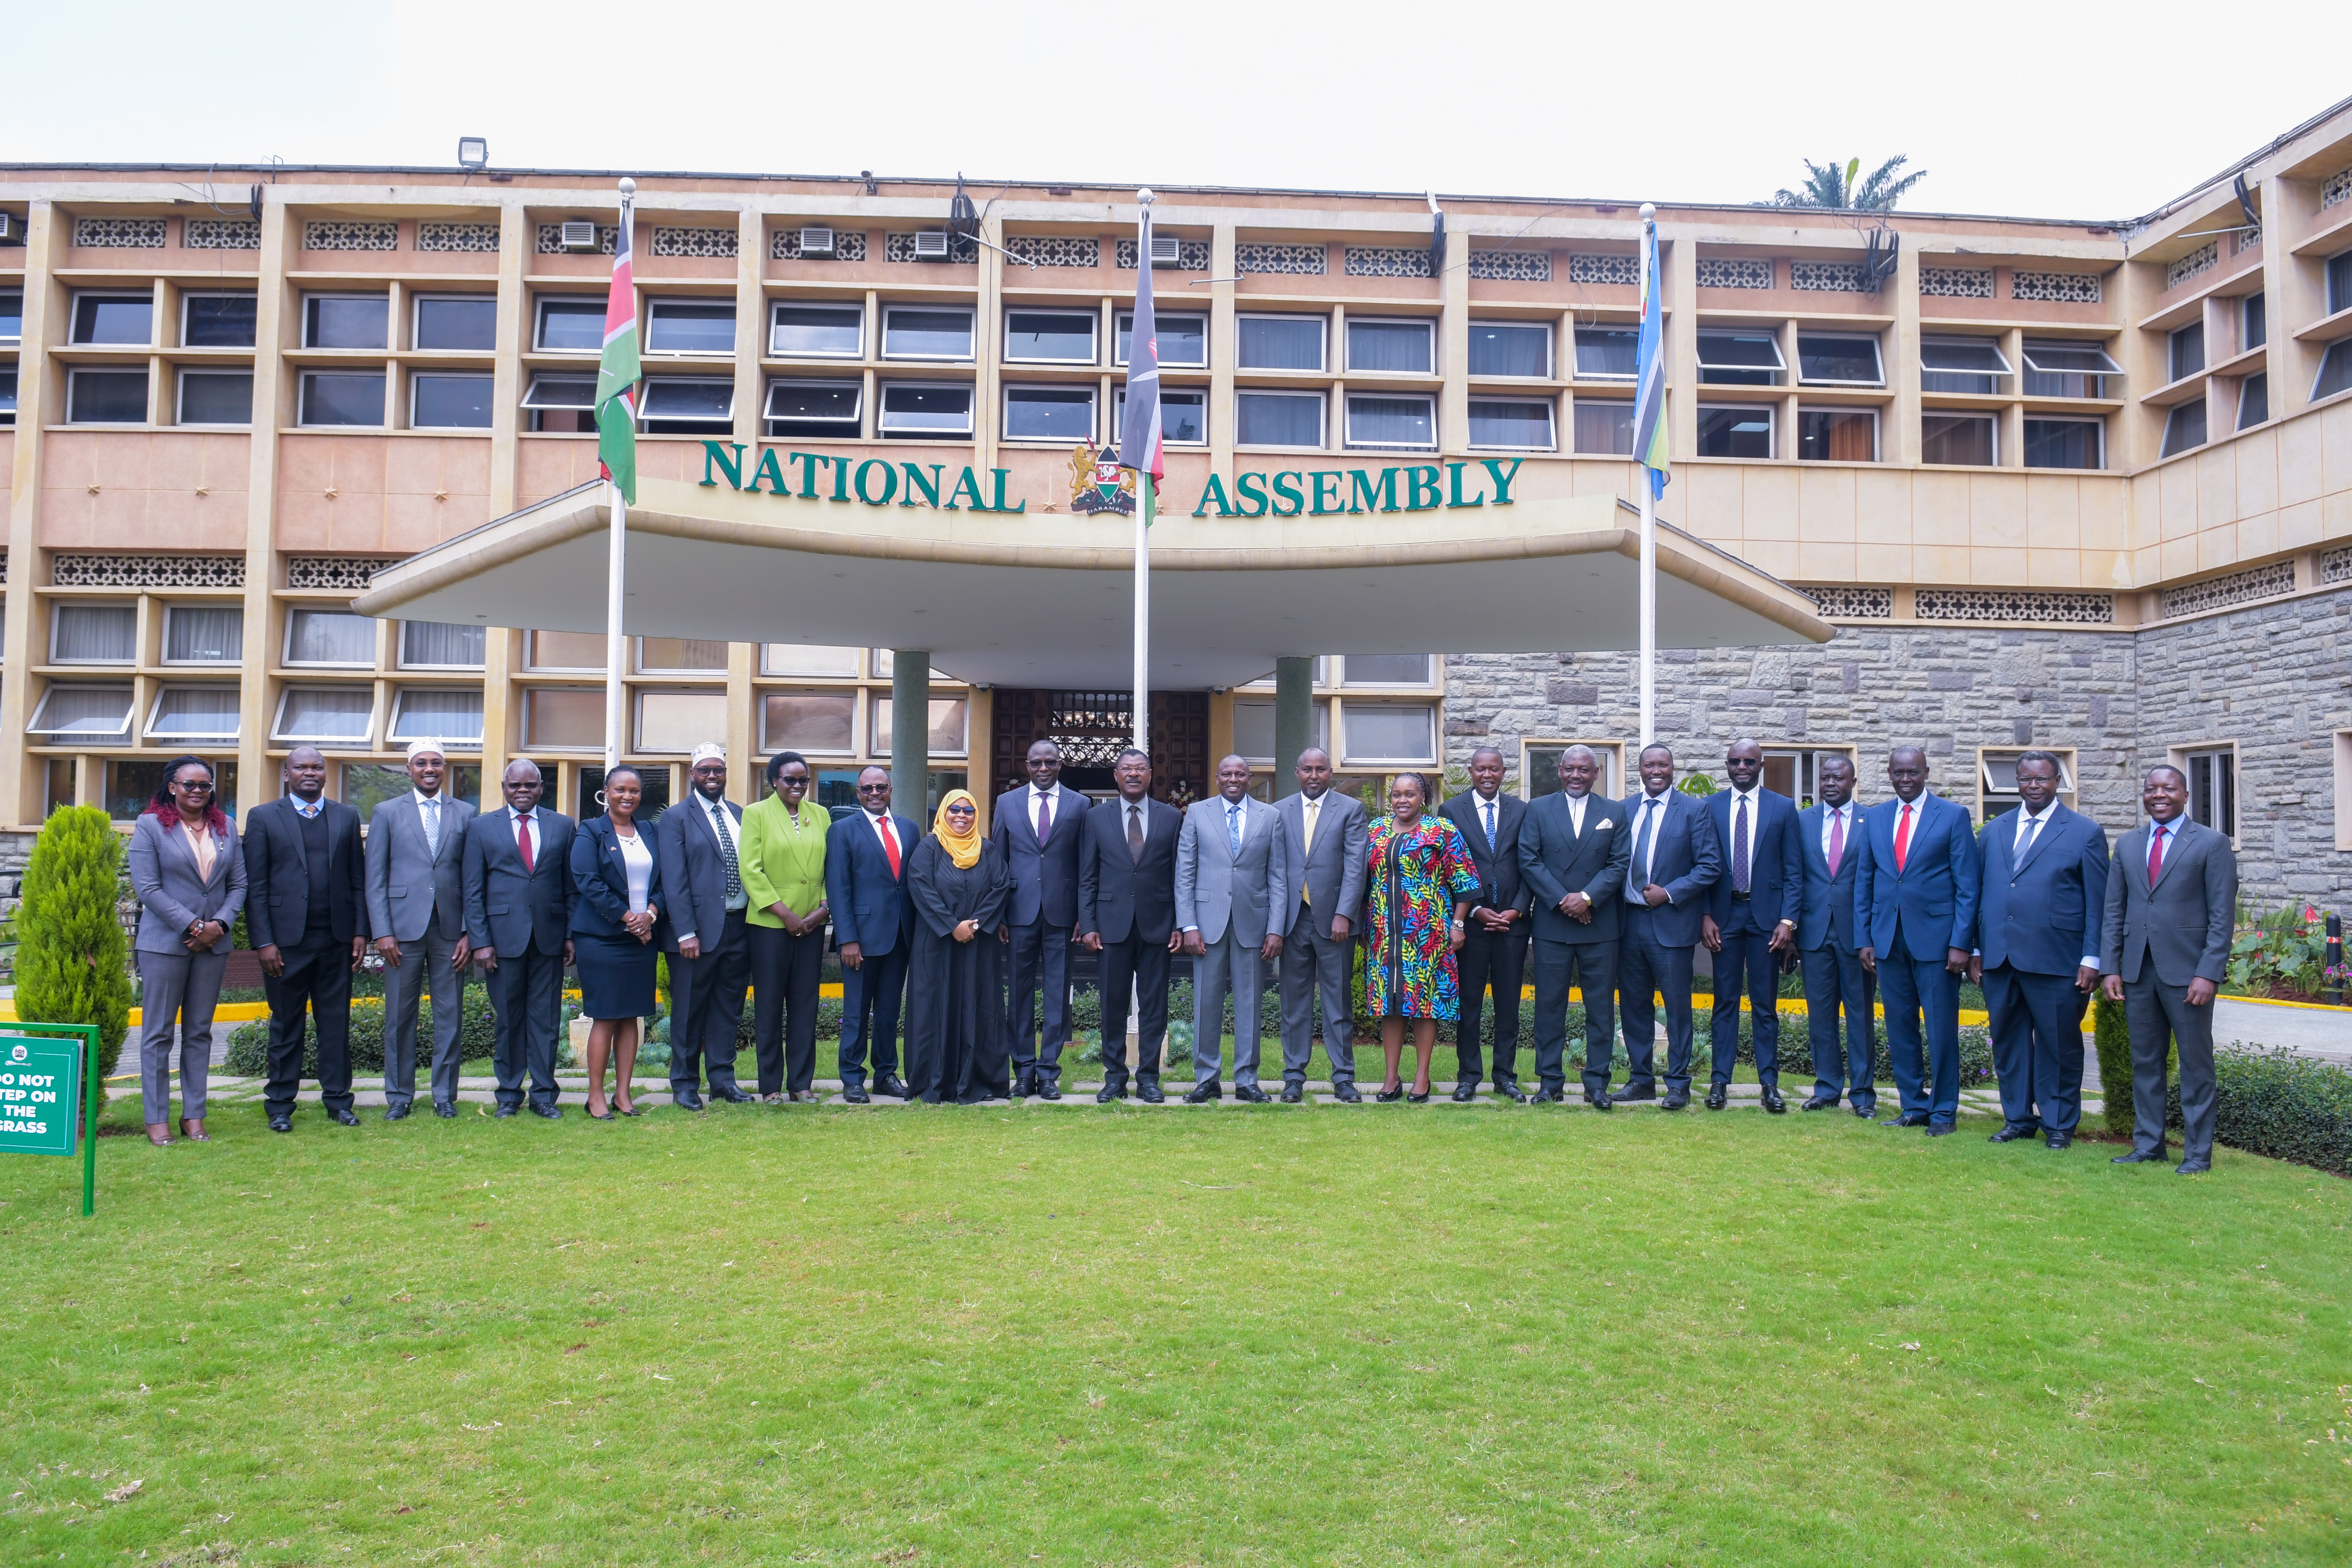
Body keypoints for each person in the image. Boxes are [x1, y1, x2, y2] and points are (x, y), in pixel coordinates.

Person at [2101, 765, 2237, 1174]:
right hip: (2138, 971)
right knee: (2146, 1063)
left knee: (2196, 1067)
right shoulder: (2128, 844)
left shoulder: (2212, 844)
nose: (2159, 794)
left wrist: (2208, 972)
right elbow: (2114, 910)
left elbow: (2221, 915)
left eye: (2168, 788)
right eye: (2151, 788)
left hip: (2188, 974)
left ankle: (2197, 1154)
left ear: (2185, 794)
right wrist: (2111, 967)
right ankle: (2149, 1145)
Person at [1973, 751, 2109, 1150]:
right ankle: (2018, 1118)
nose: (2034, 786)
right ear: (2017, 782)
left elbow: (2098, 902)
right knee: (2009, 1043)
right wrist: (1978, 947)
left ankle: (2059, 1124)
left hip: (2057, 958)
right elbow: (1984, 893)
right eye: (2026, 779)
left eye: (2043, 779)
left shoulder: (2084, 832)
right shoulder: (1994, 831)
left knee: (2058, 1044)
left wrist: (2092, 958)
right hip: (2001, 956)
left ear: (2058, 782)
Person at [1854, 746, 1980, 1136]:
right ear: (1888, 775)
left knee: (1941, 1029)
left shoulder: (1953, 816)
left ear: (1927, 772)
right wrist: (1865, 939)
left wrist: (1962, 942)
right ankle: (1913, 1105)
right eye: (1898, 773)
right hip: (1888, 939)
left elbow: (1968, 885)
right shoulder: (1875, 818)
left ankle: (1943, 1112)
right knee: (1900, 1026)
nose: (1905, 779)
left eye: (1912, 772)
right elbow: (1866, 881)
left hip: (1938, 943)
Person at [243, 745, 368, 1133]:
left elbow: (357, 881)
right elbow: (256, 887)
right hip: (285, 945)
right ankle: (280, 1106)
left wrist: (361, 932)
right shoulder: (264, 818)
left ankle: (338, 1102)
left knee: (336, 1024)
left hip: (336, 941)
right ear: (287, 774)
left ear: (326, 774)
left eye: (317, 767)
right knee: (286, 1025)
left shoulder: (346, 817)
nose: (309, 773)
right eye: (301, 768)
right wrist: (263, 942)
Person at [126, 756, 245, 1145]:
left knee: (199, 1032)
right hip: (165, 944)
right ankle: (156, 1118)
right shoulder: (150, 826)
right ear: (172, 787)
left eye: (205, 786)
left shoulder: (225, 826)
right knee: (158, 1034)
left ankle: (194, 1115)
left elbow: (239, 884)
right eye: (189, 784)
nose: (198, 791)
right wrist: (194, 926)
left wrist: (218, 926)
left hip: (214, 945)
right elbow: (147, 887)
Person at [364, 739, 477, 1120]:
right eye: (421, 763)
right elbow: (375, 878)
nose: (429, 769)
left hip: (450, 931)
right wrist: (383, 932)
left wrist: (467, 932)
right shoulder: (386, 812)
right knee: (399, 1016)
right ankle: (399, 1096)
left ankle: (445, 1095)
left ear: (445, 769)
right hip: (401, 931)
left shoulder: (466, 813)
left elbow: (472, 877)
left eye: (437, 763)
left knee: (450, 1015)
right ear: (409, 769)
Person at [1519, 745, 1634, 1105]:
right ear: (1560, 771)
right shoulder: (1538, 809)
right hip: (1553, 925)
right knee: (1548, 1007)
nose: (1576, 776)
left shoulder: (1614, 811)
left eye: (1584, 770)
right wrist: (1565, 901)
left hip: (1600, 926)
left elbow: (1619, 863)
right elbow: (1529, 859)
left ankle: (1597, 1084)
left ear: (1596, 773)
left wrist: (1586, 898)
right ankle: (1550, 1082)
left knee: (1600, 1008)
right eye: (1569, 769)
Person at [463, 758, 577, 1119]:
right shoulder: (481, 828)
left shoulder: (562, 826)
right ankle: (509, 1095)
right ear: (504, 787)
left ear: (542, 787)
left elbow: (570, 888)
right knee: (509, 1020)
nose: (523, 791)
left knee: (546, 1020)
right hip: (502, 941)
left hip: (550, 938)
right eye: (516, 786)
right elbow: (473, 889)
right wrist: (480, 941)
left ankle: (544, 1095)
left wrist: (570, 935)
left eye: (530, 785)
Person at [1175, 754, 1289, 1103]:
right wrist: (1189, 924)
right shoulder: (1197, 813)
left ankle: (1247, 1079)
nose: (1234, 779)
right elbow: (1185, 873)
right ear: (1217, 777)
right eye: (1227, 774)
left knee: (1249, 1002)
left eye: (1241, 774)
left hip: (1253, 923)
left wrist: (1276, 928)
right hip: (1207, 924)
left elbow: (1278, 877)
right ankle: (1207, 1077)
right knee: (1206, 1002)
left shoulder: (1271, 817)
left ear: (1250, 777)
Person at [1612, 744, 1720, 1108]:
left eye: (1663, 765)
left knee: (1677, 1008)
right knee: (1634, 1006)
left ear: (1673, 769)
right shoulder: (1624, 810)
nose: (1656, 771)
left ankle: (1678, 1084)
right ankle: (1640, 1080)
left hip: (1671, 923)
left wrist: (1670, 893)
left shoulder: (1694, 810)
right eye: (1649, 765)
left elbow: (1709, 866)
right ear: (1639, 769)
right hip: (1628, 922)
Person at [1699, 740, 1803, 1113]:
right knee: (1724, 1002)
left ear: (1761, 765)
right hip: (1724, 919)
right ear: (1726, 765)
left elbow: (1794, 871)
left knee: (1765, 1005)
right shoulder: (1709, 807)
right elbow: (1702, 870)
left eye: (1749, 761)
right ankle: (1719, 1083)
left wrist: (1788, 921)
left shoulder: (1783, 808)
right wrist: (1705, 917)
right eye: (1735, 761)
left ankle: (1770, 1085)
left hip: (1768, 922)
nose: (1742, 767)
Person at [1363, 773, 1479, 1102]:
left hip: (1428, 934)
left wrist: (1458, 924)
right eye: (1397, 794)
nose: (1402, 800)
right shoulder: (1376, 831)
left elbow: (1466, 880)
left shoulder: (1441, 831)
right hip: (1385, 933)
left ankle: (1422, 1077)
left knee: (1425, 1004)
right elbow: (1362, 879)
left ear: (1423, 798)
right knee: (1391, 1004)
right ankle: (1390, 1078)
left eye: (1410, 794)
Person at [1079, 749, 1184, 1103]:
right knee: (1113, 1004)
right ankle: (1114, 1078)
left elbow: (1178, 876)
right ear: (1116, 776)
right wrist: (1089, 924)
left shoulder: (1171, 818)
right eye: (1127, 769)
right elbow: (1087, 877)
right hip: (1111, 926)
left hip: (1158, 924)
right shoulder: (1096, 818)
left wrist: (1179, 923)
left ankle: (1149, 1079)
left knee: (1154, 1006)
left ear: (1151, 775)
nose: (1134, 774)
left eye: (1140, 769)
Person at [659, 743, 754, 1110]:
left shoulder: (739, 814)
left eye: (718, 770)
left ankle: (723, 1082)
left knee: (728, 1009)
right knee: (688, 1011)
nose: (712, 777)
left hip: (738, 926)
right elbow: (674, 877)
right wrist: (685, 931)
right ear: (692, 774)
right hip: (695, 932)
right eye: (705, 771)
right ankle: (684, 1084)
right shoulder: (677, 817)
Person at [904, 789, 1013, 1103]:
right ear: (943, 812)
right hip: (937, 946)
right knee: (935, 1010)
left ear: (976, 815)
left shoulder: (988, 850)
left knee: (980, 1008)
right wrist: (952, 926)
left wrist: (973, 925)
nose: (961, 816)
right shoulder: (929, 848)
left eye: (968, 811)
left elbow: (1000, 887)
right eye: (954, 810)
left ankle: (978, 1082)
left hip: (979, 945)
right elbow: (921, 888)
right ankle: (933, 1083)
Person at [1274, 747, 1368, 1103]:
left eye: (1321, 770)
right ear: (1297, 772)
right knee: (1293, 1004)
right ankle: (1293, 1078)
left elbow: (1356, 867)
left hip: (1335, 922)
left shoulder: (1350, 810)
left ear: (1331, 772)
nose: (1314, 776)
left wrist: (1345, 914)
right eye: (1308, 770)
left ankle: (1343, 1078)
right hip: (1292, 920)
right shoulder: (1279, 811)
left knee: (1337, 1003)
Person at [569, 764, 663, 1120]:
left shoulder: (650, 832)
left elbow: (665, 880)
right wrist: (629, 918)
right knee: (605, 1017)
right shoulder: (590, 831)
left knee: (631, 1017)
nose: (628, 796)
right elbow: (587, 881)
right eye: (620, 789)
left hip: (642, 939)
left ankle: (623, 1095)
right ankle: (596, 1096)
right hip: (603, 939)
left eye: (635, 791)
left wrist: (650, 915)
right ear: (606, 792)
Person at [1438, 746, 1532, 1101]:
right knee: (1469, 1004)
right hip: (1472, 926)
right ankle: (1468, 1077)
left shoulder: (1522, 811)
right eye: (1481, 770)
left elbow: (1530, 863)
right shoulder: (1451, 810)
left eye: (1494, 769)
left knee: (1509, 1005)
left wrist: (1518, 909)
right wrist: (1474, 910)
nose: (1487, 775)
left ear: (1503, 772)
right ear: (1471, 771)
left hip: (1513, 925)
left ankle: (1506, 1077)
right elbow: (1447, 869)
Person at [991, 739, 1082, 1100]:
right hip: (1018, 912)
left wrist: (1084, 916)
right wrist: (997, 914)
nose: (1043, 769)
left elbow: (1085, 863)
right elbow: (998, 861)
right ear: (1026, 766)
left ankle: (1048, 1073)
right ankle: (1024, 1071)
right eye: (1036, 764)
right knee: (1020, 994)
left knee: (1058, 995)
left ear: (1060, 765)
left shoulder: (1080, 804)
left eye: (1050, 763)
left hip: (1062, 913)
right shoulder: (1007, 802)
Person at [739, 750, 830, 1103]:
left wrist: (823, 909)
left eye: (803, 780)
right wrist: (785, 914)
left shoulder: (820, 815)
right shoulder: (756, 814)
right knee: (770, 1005)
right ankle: (771, 1087)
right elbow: (751, 870)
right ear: (774, 780)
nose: (797, 786)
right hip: (769, 925)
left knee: (806, 1004)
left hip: (812, 924)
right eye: (790, 780)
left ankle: (801, 1084)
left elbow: (829, 866)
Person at [825, 765, 919, 1103]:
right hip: (861, 939)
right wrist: (847, 938)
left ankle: (885, 1075)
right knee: (856, 1011)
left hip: (901, 936)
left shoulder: (909, 829)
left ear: (891, 789)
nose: (875, 794)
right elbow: (838, 888)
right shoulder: (843, 831)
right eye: (867, 789)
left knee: (889, 1011)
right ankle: (852, 1078)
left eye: (881, 788)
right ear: (858, 793)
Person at [1795, 754, 1875, 1116]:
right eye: (1824, 778)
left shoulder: (1871, 821)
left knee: (1859, 1018)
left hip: (1857, 938)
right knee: (1820, 1018)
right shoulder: (1803, 821)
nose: (1830, 784)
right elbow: (1793, 878)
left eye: (1838, 778)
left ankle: (1862, 1096)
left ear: (1853, 783)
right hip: (1813, 935)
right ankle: (1827, 1088)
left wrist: (1870, 936)